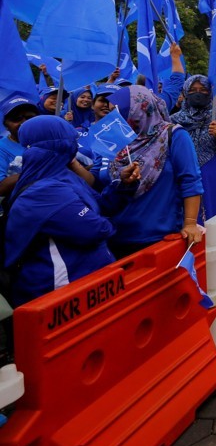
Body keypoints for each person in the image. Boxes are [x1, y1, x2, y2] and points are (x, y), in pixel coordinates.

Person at [2, 116, 141, 307]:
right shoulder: (42, 192)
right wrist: (110, 223)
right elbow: (95, 230)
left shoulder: (63, 174)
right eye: (71, 141)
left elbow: (100, 204)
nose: (75, 146)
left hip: (88, 287)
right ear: (57, 145)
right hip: (60, 296)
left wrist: (123, 187)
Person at [104, 86, 204, 258]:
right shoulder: (115, 141)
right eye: (112, 112)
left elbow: (190, 180)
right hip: (118, 236)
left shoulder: (173, 136)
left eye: (120, 111)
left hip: (159, 237)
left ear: (139, 109)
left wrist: (190, 223)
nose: (115, 118)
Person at [170, 75, 216, 219]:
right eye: (193, 90)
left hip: (215, 178)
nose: (198, 93)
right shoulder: (174, 121)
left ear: (210, 92)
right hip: (183, 176)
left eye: (203, 89)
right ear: (185, 93)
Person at [0, 96, 39, 197]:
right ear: (6, 125)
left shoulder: (50, 142)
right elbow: (1, 188)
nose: (24, 122)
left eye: (30, 117)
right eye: (16, 119)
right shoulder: (2, 148)